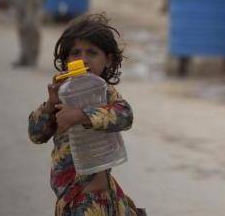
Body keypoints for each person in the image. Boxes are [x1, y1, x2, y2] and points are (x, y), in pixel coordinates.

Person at [28, 14, 145, 215]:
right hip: (68, 195)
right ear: (65, 61)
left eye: (91, 52)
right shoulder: (62, 94)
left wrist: (82, 115)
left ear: (107, 60)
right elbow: (36, 135)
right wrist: (50, 105)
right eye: (75, 53)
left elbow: (125, 115)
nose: (82, 59)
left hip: (94, 195)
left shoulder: (104, 92)